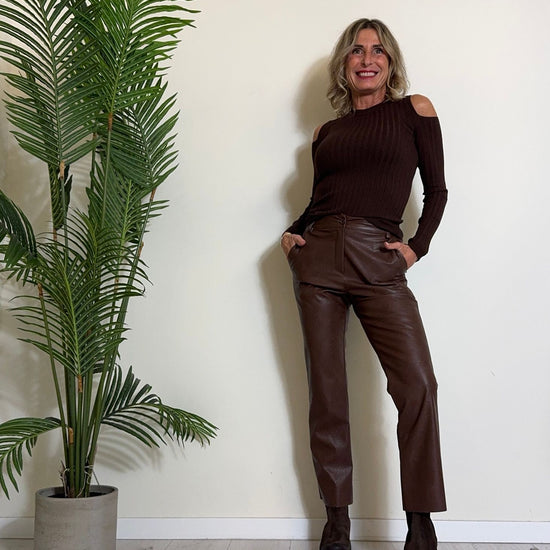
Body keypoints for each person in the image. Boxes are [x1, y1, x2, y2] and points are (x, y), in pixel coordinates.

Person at [281, 18, 448, 550]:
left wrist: (416, 246)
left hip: (378, 258)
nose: (367, 58)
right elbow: (321, 198)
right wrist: (291, 235)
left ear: (390, 62)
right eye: (356, 50)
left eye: (377, 50)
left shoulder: (414, 110)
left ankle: (420, 523)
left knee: (418, 386)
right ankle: (337, 523)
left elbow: (438, 190)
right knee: (328, 394)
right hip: (319, 259)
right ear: (344, 64)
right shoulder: (324, 134)